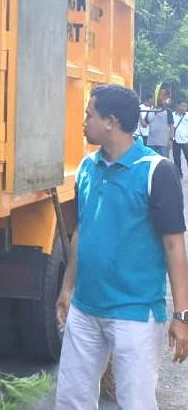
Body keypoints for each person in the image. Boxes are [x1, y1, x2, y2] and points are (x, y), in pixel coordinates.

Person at [55, 84, 188, 408]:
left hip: (135, 313)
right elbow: (83, 231)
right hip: (85, 309)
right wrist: (67, 287)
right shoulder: (87, 167)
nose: (84, 121)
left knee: (135, 403)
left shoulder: (156, 171)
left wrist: (181, 315)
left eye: (89, 115)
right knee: (72, 400)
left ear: (111, 121)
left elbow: (174, 245)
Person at [172, 100, 188, 180]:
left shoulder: (187, 116)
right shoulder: (172, 115)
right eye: (182, 106)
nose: (183, 108)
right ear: (177, 106)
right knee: (176, 158)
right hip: (175, 140)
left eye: (185, 106)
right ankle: (179, 174)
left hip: (186, 141)